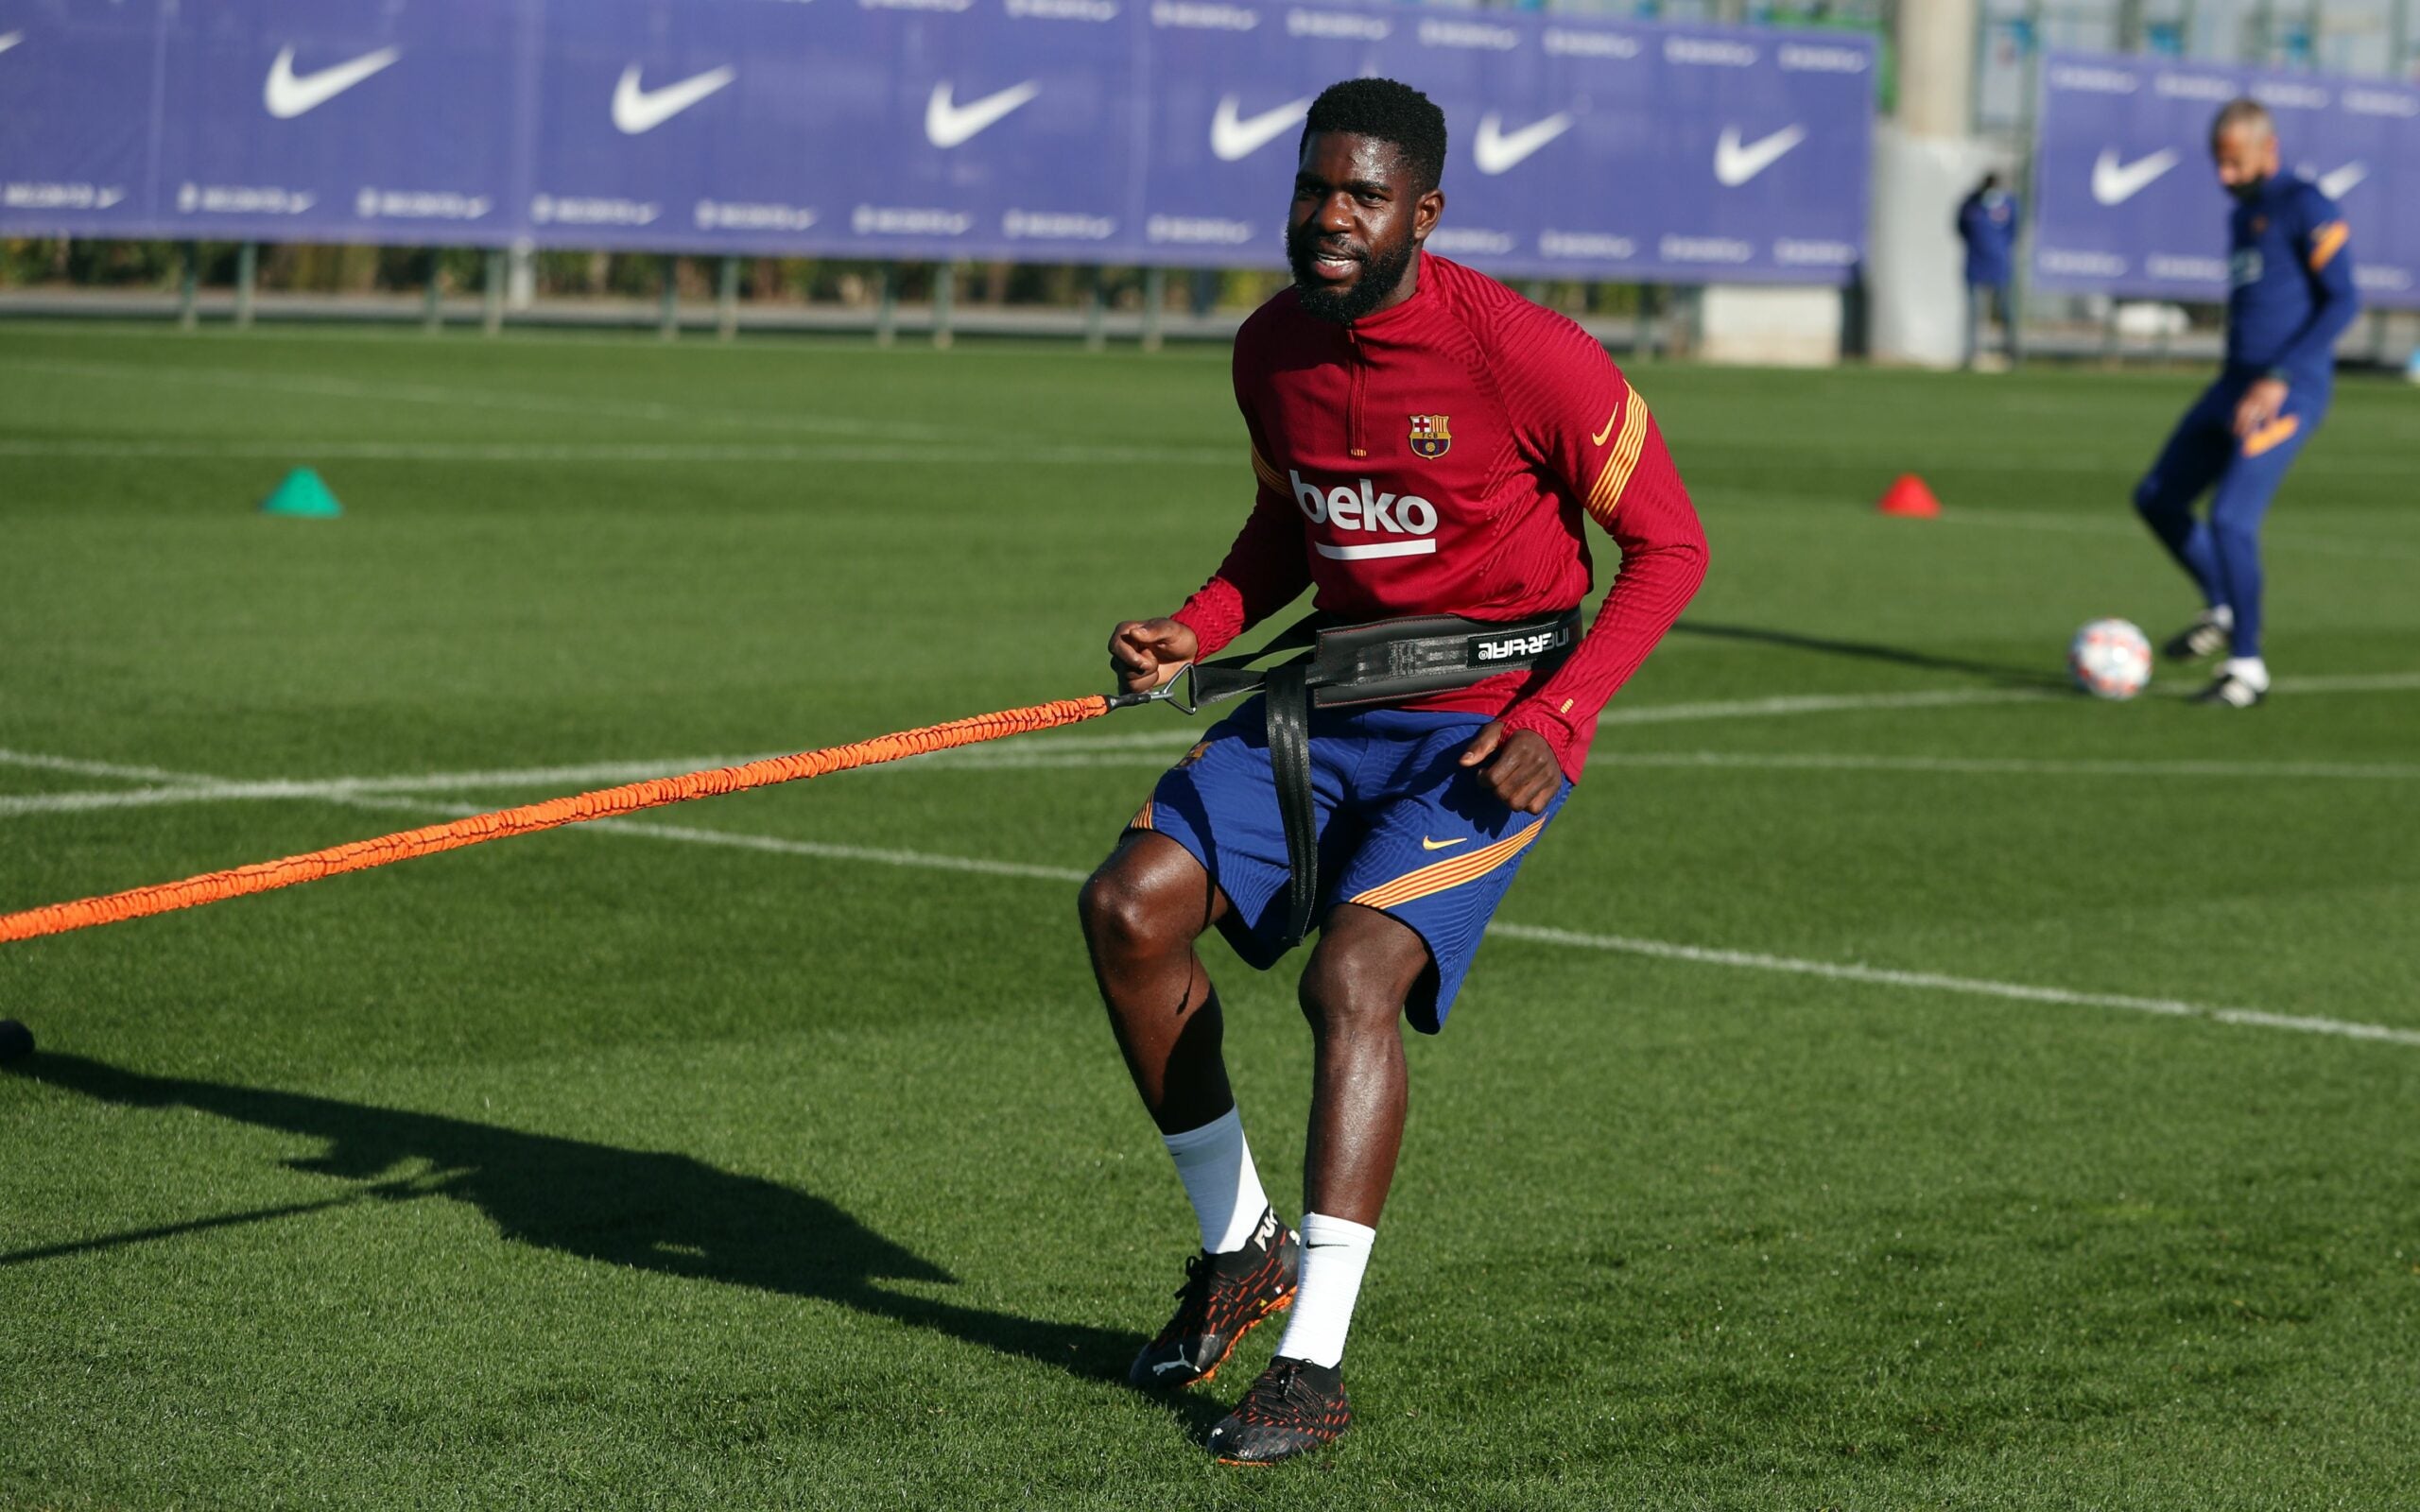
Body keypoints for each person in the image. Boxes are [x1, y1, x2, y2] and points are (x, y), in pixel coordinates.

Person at [1077, 77, 1707, 1465]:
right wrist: (1196, 628)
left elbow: (1670, 547)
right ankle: (1239, 1249)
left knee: (1352, 974)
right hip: (1334, 698)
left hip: (1487, 725)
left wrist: (1565, 717)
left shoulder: (1529, 355)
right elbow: (1282, 534)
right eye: (1314, 187)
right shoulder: (1268, 349)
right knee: (1129, 910)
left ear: (1424, 211)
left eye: (1362, 195)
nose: (1329, 217)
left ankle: (1312, 1365)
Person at [2131, 98, 2359, 707]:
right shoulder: (2244, 216)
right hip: (2233, 385)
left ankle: (2247, 669)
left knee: (2232, 518)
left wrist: (2279, 375)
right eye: (2218, 164)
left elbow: (2343, 302)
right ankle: (2224, 606)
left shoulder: (2305, 204)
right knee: (2157, 498)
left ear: (2269, 149)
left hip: (2289, 389)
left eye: (2234, 163)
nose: (2224, 177)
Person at [1955, 172, 2021, 368]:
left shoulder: (2009, 205)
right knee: (1974, 313)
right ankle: (1971, 354)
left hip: (2000, 265)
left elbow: (2014, 231)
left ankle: (2011, 354)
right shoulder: (1970, 205)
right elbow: (1961, 229)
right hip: (1975, 264)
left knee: (2005, 311)